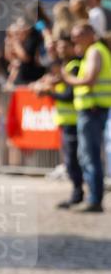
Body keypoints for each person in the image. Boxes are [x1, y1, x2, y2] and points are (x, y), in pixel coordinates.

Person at [61, 23, 111, 212]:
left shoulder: (94, 51)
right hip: (92, 110)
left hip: (93, 110)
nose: (74, 40)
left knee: (90, 156)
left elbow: (89, 80)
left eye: (77, 35)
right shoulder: (93, 51)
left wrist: (68, 79)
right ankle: (92, 197)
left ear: (90, 34)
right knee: (87, 155)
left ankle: (94, 199)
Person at [34, 36, 83, 209]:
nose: (61, 50)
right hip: (67, 121)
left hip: (74, 121)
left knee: (74, 161)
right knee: (72, 161)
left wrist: (49, 93)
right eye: (59, 47)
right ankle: (78, 194)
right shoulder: (64, 67)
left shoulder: (74, 66)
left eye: (64, 47)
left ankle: (79, 195)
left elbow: (69, 95)